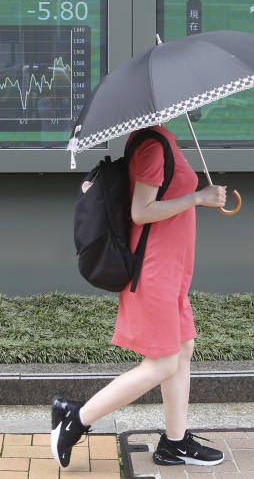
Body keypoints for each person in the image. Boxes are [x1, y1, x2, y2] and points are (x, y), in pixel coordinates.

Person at [51, 124, 227, 469]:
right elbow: (141, 211)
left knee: (182, 348)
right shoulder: (153, 145)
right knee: (161, 363)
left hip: (171, 272)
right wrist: (198, 197)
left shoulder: (161, 139)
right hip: (155, 272)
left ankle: (175, 443)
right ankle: (75, 418)